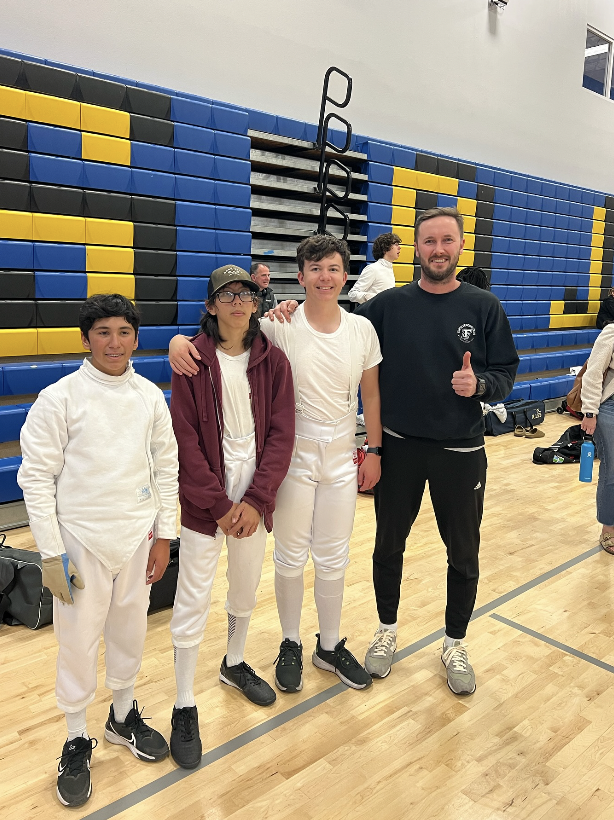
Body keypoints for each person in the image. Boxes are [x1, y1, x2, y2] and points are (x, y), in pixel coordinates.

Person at [169, 236, 383, 693]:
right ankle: (289, 642)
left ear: (345, 275)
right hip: (286, 465)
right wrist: (175, 342)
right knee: (287, 556)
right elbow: (215, 338)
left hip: (330, 460)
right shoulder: (277, 326)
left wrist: (376, 449)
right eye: (315, 268)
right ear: (300, 276)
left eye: (333, 268)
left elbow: (371, 392)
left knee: (333, 557)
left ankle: (328, 645)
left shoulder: (359, 329)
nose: (325, 277)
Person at [18, 294, 178, 808]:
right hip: (79, 542)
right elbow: (36, 478)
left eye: (124, 332)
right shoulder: (59, 398)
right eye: (103, 332)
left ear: (136, 338)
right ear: (85, 339)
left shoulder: (149, 397)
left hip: (135, 537)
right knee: (77, 641)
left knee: (130, 631)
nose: (114, 342)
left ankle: (122, 716)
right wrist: (51, 553)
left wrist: (164, 535)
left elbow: (166, 469)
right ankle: (75, 737)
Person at [356, 207, 518, 694]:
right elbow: (339, 336)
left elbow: (506, 372)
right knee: (388, 546)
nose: (439, 249)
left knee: (463, 553)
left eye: (447, 240)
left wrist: (480, 384)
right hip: (399, 448)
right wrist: (287, 312)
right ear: (417, 247)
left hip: (461, 450)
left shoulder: (484, 307)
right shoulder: (388, 306)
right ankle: (386, 630)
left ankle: (454, 642)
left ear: (461, 246)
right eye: (429, 241)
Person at [168, 264, 295, 769]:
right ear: (211, 305)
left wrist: (258, 499)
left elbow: (282, 434)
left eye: (246, 293)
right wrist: (219, 505)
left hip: (254, 489)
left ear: (256, 303)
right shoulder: (191, 360)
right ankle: (183, 702)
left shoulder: (274, 360)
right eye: (228, 295)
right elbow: (184, 440)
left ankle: (234, 661)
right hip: (207, 496)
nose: (239, 301)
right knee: (193, 594)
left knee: (245, 584)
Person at [580, 322, 614, 553]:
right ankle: (608, 528)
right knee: (612, 470)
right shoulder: (612, 331)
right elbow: (592, 373)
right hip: (610, 408)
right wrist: (590, 412)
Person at [347, 232, 401, 304]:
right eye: (396, 244)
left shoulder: (389, 270)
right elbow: (352, 294)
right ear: (385, 248)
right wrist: (370, 297)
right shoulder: (373, 269)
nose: (399, 247)